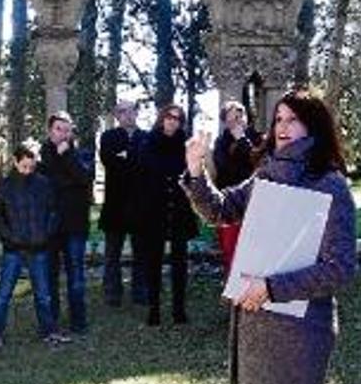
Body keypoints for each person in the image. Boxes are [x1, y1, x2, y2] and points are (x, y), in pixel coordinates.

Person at [182, 90, 356, 384]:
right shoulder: (267, 174)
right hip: (253, 322)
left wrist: (271, 287)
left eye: (293, 119)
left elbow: (339, 268)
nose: (282, 127)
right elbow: (221, 211)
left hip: (300, 332)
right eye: (278, 119)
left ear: (314, 126)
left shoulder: (331, 185)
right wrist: (197, 171)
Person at [0, 143, 70, 351]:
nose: (28, 171)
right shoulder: (3, 185)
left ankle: (49, 330)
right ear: (15, 161)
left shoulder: (43, 184)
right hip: (14, 249)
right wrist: (9, 237)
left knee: (43, 294)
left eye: (31, 167)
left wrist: (46, 234)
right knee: (3, 294)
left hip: (39, 248)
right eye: (24, 167)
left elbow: (54, 211)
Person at [138, 104, 199, 326]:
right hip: (155, 210)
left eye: (178, 118)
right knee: (153, 262)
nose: (173, 121)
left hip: (179, 210)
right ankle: (154, 310)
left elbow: (193, 175)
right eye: (169, 117)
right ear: (162, 119)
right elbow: (142, 179)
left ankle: (179, 310)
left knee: (180, 262)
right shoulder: (148, 143)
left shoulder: (186, 145)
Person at [38, 111, 95, 334]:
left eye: (67, 129)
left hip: (76, 225)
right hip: (49, 225)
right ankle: (50, 321)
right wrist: (69, 180)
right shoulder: (40, 154)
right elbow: (45, 183)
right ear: (50, 131)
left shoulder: (83, 153)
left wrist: (68, 156)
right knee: (49, 275)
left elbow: (84, 177)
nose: (63, 134)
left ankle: (78, 322)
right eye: (58, 129)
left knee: (76, 276)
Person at [99, 100, 148, 307]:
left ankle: (141, 292)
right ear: (116, 115)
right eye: (121, 112)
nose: (126, 115)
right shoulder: (108, 137)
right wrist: (133, 159)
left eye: (130, 110)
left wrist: (125, 157)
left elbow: (149, 165)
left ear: (137, 113)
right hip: (115, 205)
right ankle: (112, 293)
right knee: (112, 253)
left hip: (141, 205)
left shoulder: (147, 138)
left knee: (142, 253)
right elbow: (109, 161)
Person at [212, 101, 261, 274]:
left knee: (254, 248)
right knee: (230, 248)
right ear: (225, 121)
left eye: (240, 117)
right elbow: (225, 169)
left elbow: (257, 163)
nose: (237, 122)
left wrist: (242, 141)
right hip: (229, 204)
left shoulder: (256, 139)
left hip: (255, 201)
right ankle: (233, 288)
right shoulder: (221, 142)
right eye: (232, 118)